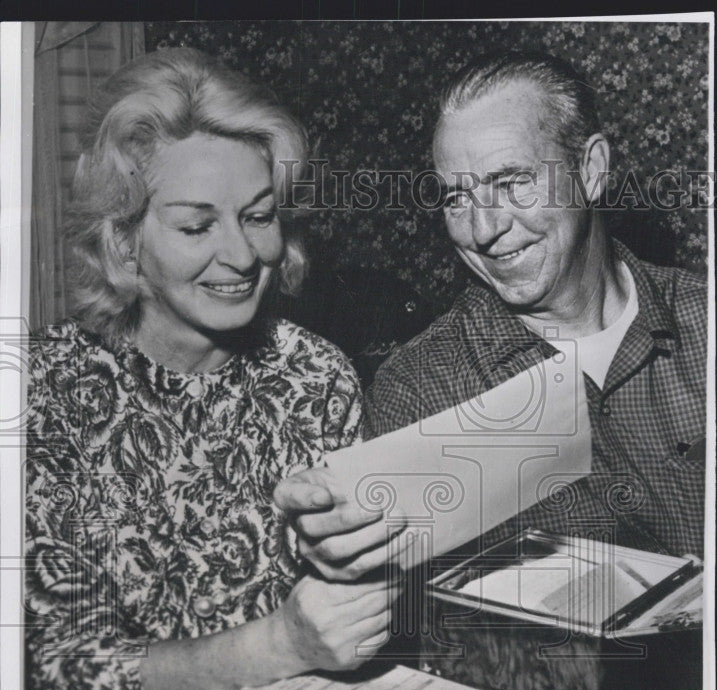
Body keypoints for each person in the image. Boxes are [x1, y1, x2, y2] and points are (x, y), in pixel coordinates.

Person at [25, 48, 400, 690]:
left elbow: (358, 606)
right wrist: (282, 643)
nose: (240, 254)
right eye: (197, 227)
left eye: (257, 216)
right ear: (122, 240)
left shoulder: (315, 376)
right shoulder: (40, 395)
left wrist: (370, 575)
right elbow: (64, 674)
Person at [275, 50, 707, 580]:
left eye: (511, 181)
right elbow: (393, 602)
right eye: (457, 198)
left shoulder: (705, 323)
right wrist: (335, 549)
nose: (482, 230)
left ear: (591, 171)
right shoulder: (419, 391)